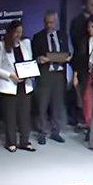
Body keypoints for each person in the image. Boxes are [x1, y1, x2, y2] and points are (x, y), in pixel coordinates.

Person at [0, 20, 36, 153]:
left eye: (20, 32)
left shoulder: (26, 44)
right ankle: (10, 142)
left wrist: (30, 73)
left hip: (25, 85)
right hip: (9, 86)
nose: (18, 35)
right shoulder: (1, 46)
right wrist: (10, 75)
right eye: (16, 32)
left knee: (25, 115)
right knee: (10, 116)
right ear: (10, 32)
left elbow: (30, 62)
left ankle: (24, 141)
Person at [32, 10, 69, 144]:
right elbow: (34, 56)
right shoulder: (38, 37)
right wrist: (39, 59)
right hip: (45, 75)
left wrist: (53, 58)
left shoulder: (62, 35)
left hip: (59, 74)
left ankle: (55, 131)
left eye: (51, 22)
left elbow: (67, 54)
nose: (49, 25)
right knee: (42, 105)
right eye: (47, 23)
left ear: (56, 22)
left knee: (57, 105)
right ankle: (42, 131)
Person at [68, 0, 93, 124]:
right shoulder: (77, 22)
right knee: (79, 90)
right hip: (80, 61)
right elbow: (76, 41)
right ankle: (77, 116)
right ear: (84, 6)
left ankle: (89, 117)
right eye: (91, 5)